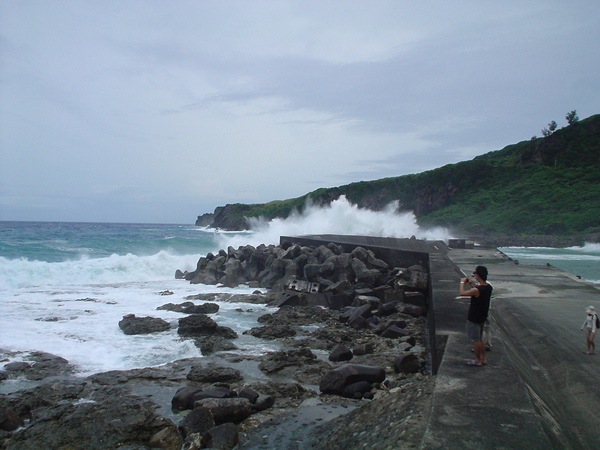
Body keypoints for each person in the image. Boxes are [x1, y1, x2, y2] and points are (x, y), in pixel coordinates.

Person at [460, 265, 493, 367]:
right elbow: (477, 292)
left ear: (478, 276)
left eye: (475, 275)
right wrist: (471, 284)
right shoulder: (488, 287)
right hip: (482, 316)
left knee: (476, 340)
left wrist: (462, 282)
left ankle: (477, 360)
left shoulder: (478, 289)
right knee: (480, 338)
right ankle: (483, 359)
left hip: (474, 317)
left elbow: (462, 293)